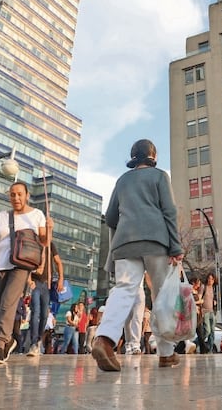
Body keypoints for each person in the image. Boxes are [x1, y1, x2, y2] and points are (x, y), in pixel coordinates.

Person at [90, 139, 184, 372]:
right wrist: (176, 246)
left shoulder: (122, 180)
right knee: (161, 295)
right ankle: (165, 353)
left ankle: (104, 339)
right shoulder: (160, 176)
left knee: (124, 290)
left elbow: (110, 217)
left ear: (133, 157)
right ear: (153, 155)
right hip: (156, 241)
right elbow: (169, 211)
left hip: (124, 244)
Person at [0, 181, 50, 365]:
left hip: (21, 264)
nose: (16, 197)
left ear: (27, 195)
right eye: (12, 194)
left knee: (8, 302)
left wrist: (49, 229)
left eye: (20, 194)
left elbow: (44, 242)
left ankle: (0, 345)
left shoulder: (37, 215)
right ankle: (10, 339)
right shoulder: (2, 216)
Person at [26, 240, 64, 356]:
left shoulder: (50, 245)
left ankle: (37, 340)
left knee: (44, 315)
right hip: (36, 282)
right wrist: (29, 280)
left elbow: (58, 262)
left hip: (47, 284)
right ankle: (33, 342)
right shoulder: (33, 244)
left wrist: (61, 278)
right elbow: (26, 263)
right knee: (35, 311)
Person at [202, 272, 218, 354]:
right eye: (209, 279)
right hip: (205, 312)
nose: (210, 280)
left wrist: (215, 302)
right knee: (207, 331)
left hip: (212, 312)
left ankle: (210, 349)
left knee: (212, 332)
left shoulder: (214, 288)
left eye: (212, 279)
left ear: (214, 280)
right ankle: (196, 342)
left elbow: (214, 299)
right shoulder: (204, 287)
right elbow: (200, 296)